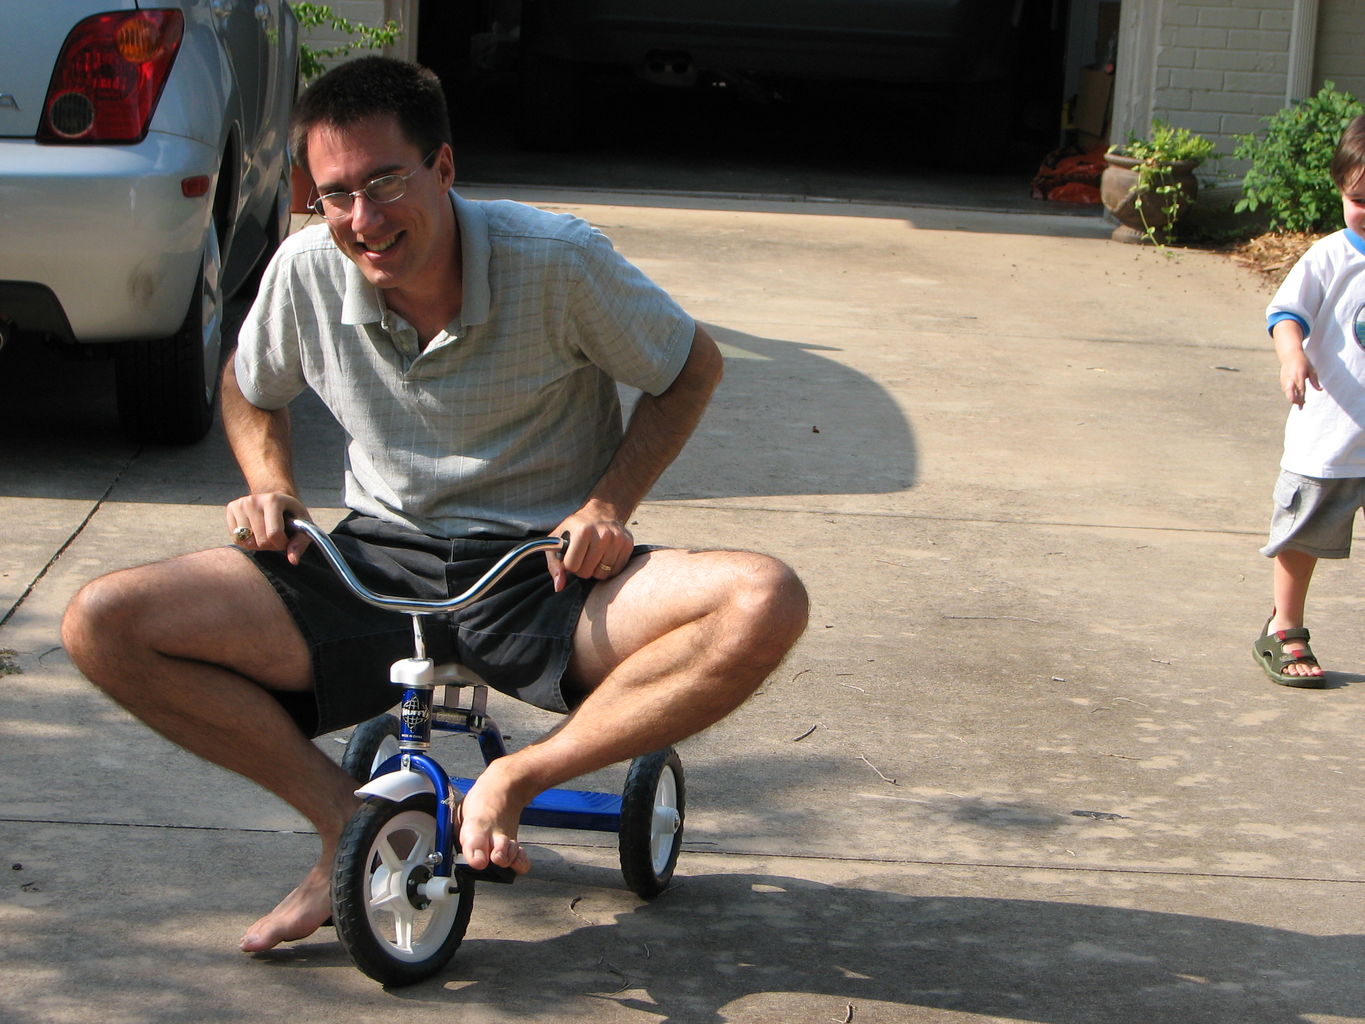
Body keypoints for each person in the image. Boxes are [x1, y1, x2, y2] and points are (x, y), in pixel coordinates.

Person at [60, 57, 808, 953]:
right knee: (104, 621)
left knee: (764, 597)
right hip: (372, 559)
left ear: (443, 168)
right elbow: (250, 387)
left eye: (384, 183)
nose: (362, 222)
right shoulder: (306, 269)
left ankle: (518, 780)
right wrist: (272, 489)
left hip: (543, 572)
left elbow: (692, 367)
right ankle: (342, 822)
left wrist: (609, 502)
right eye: (335, 195)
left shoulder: (558, 261)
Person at [1252, 113, 1365, 687]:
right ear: (1341, 191)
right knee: (1302, 541)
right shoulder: (1328, 258)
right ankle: (1284, 627)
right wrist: (1292, 355)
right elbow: (1286, 314)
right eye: (1362, 199)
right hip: (1329, 437)